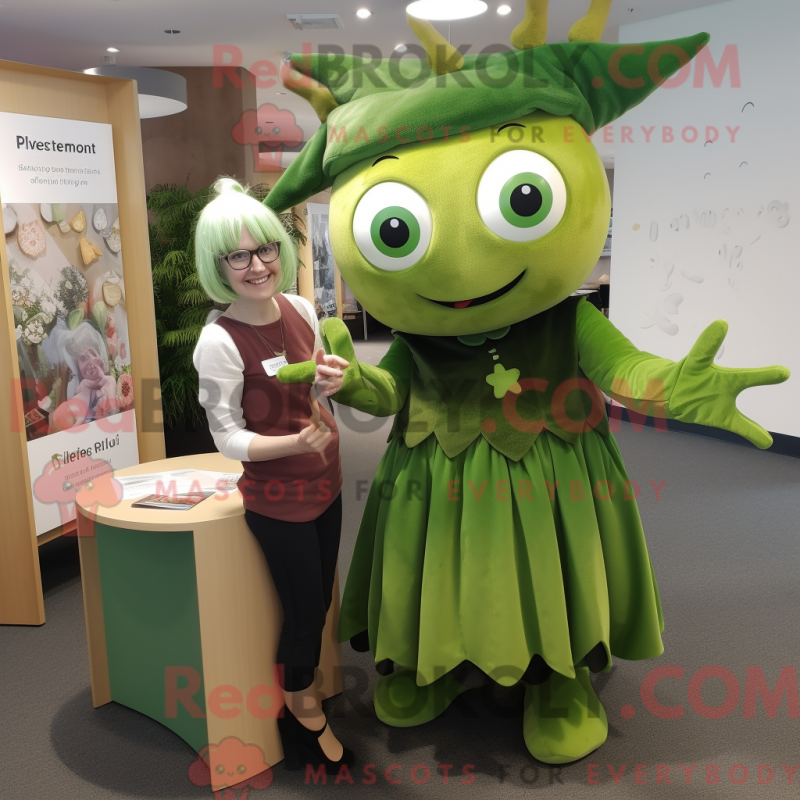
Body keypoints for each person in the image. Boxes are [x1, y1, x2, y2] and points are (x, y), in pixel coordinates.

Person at [192, 178, 353, 774]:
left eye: (264, 249)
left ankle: (303, 692)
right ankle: (301, 710)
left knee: (322, 600)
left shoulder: (302, 308)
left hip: (328, 481)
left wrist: (331, 382)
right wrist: (293, 444)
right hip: (279, 499)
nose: (257, 266)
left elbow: (308, 389)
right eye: (238, 256)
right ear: (218, 266)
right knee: (304, 613)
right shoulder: (218, 341)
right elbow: (227, 436)